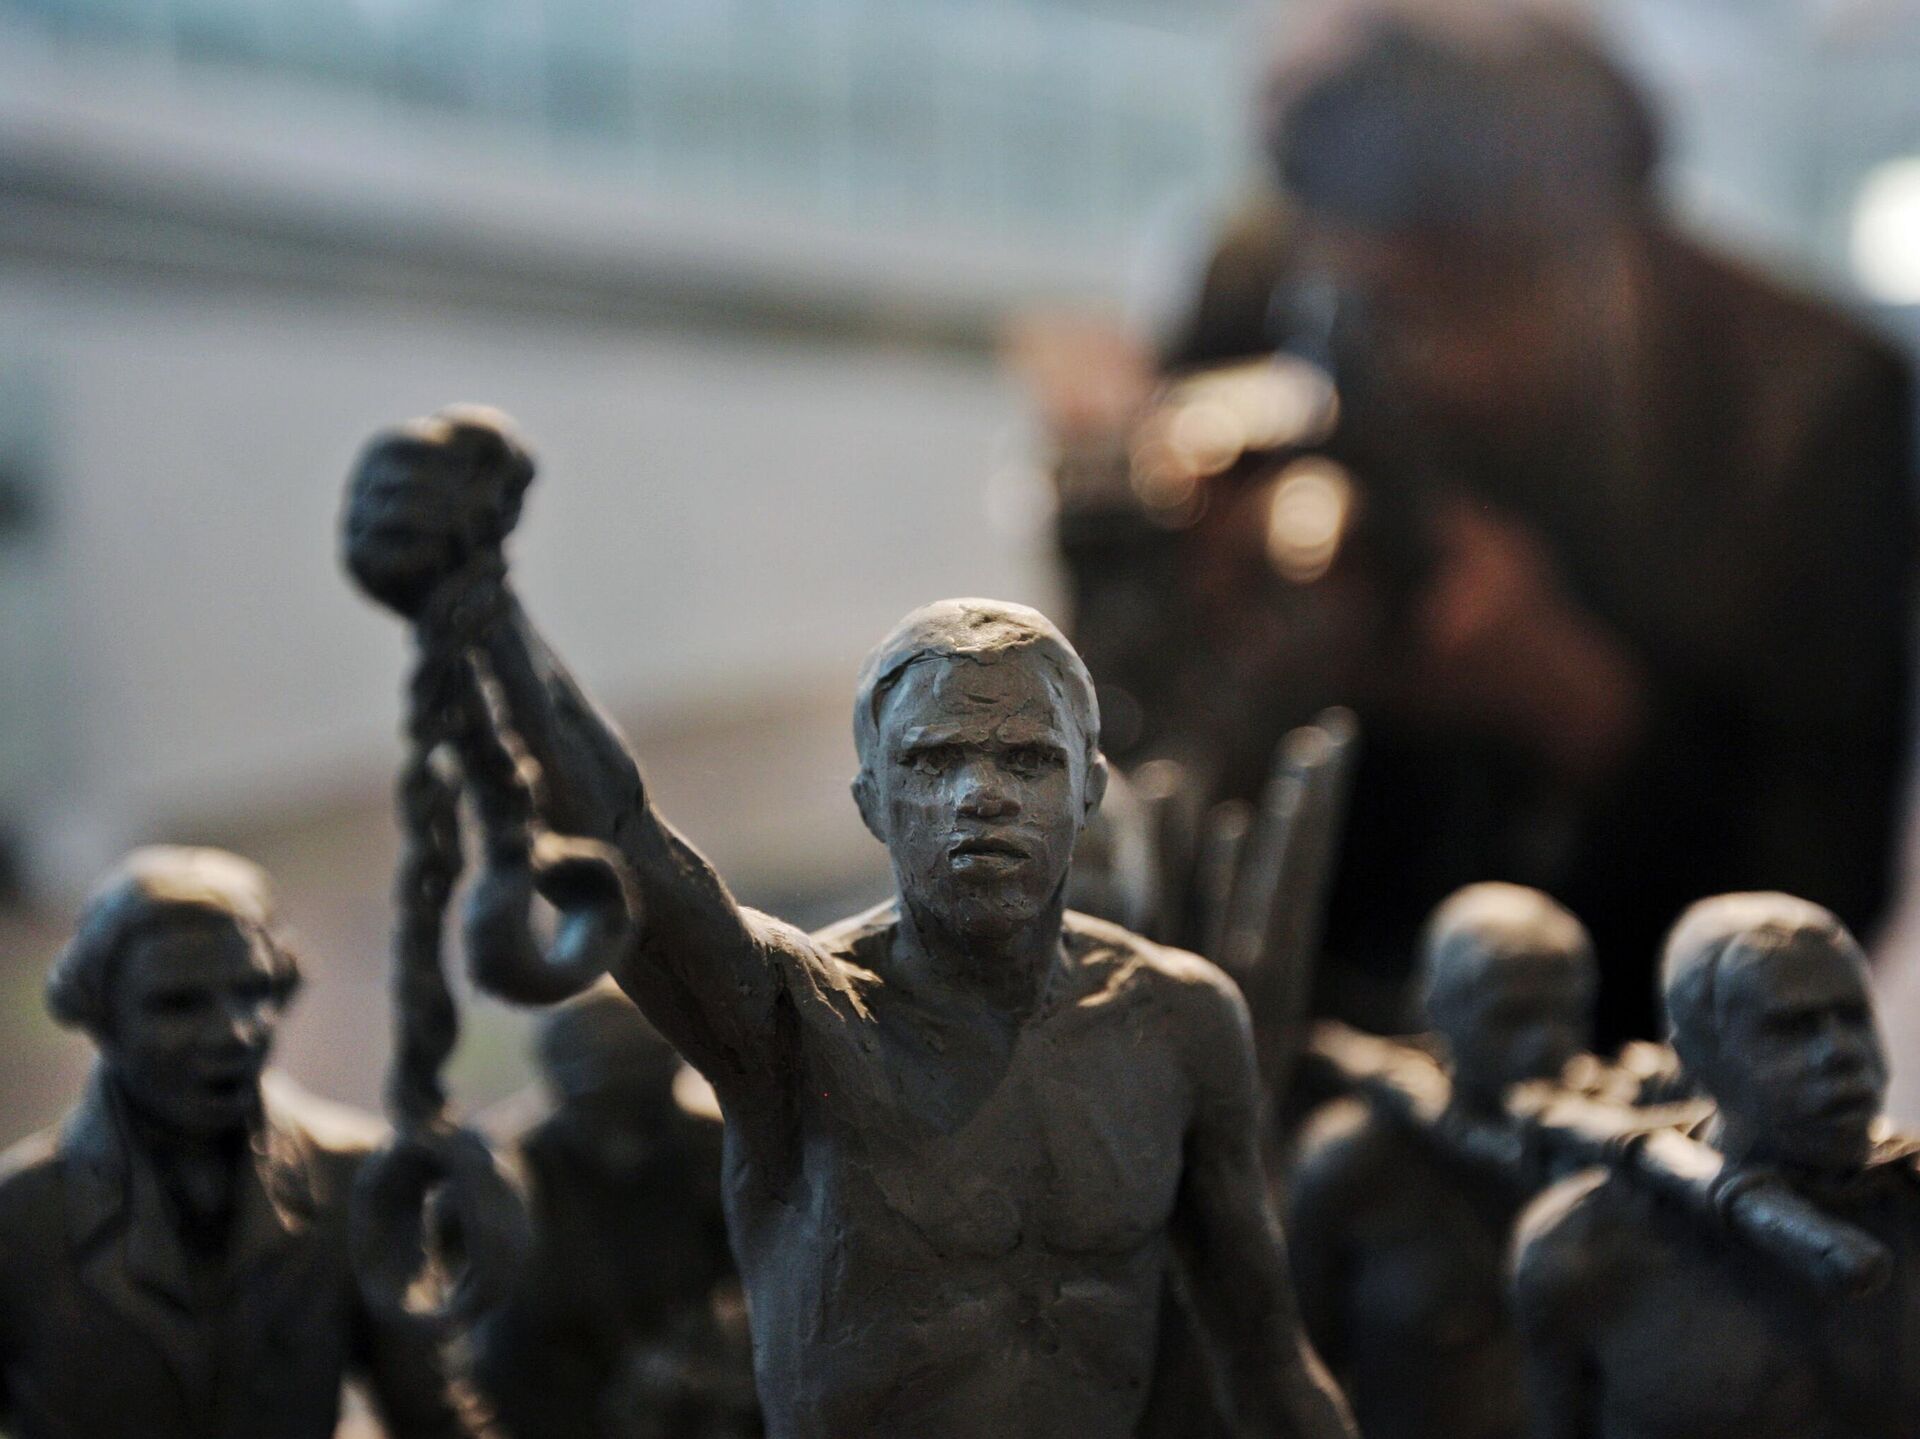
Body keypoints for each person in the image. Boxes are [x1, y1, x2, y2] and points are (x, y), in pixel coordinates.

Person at [343, 406, 1356, 1439]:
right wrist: (485, 608)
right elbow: (621, 833)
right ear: (871, 802)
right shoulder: (797, 1019)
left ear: (1088, 790)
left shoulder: (1179, 1022)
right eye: (932, 761)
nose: (980, 794)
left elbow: (1267, 1361)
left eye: (1026, 759)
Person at [1071, 0, 1915, 1044]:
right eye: (1392, 307)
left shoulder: (1809, 404)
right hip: (1283, 1014)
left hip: (1622, 1059)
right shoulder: (1266, 287)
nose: (1452, 363)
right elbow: (1108, 764)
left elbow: (1820, 903)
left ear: (1616, 237)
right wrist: (1188, 611)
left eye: (1496, 292)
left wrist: (1584, 710)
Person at [0, 846, 472, 1439]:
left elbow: (435, 1419)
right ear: (101, 1014)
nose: (233, 1032)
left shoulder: (356, 1176)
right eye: (178, 1003)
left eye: (252, 991)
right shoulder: (19, 1218)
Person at [1510, 893, 1920, 1438]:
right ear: (1697, 1058)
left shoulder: (1909, 1206)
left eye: (1853, 1016)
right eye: (1790, 1028)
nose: (1841, 1053)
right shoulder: (1584, 1252)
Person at [1289, 883, 1595, 1439]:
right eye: (1512, 1017)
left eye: (1567, 1016)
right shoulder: (1354, 1161)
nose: (1545, 1045)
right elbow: (1290, 1367)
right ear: (1433, 1006)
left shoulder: (1600, 1160)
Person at [471, 979, 758, 1439]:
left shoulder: (715, 1153)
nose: (626, 1131)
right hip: (565, 1401)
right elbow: (505, 1342)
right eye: (606, 1105)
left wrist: (707, 1352)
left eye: (642, 1103)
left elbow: (762, 1278)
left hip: (704, 1391)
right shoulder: (520, 1176)